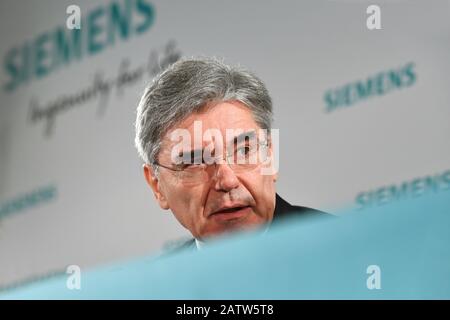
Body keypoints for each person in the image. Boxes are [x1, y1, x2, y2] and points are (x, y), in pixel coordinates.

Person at [135, 57, 328, 251]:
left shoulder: (344, 249)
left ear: (270, 155)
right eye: (194, 162)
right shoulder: (164, 279)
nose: (227, 181)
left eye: (243, 151)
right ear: (157, 185)